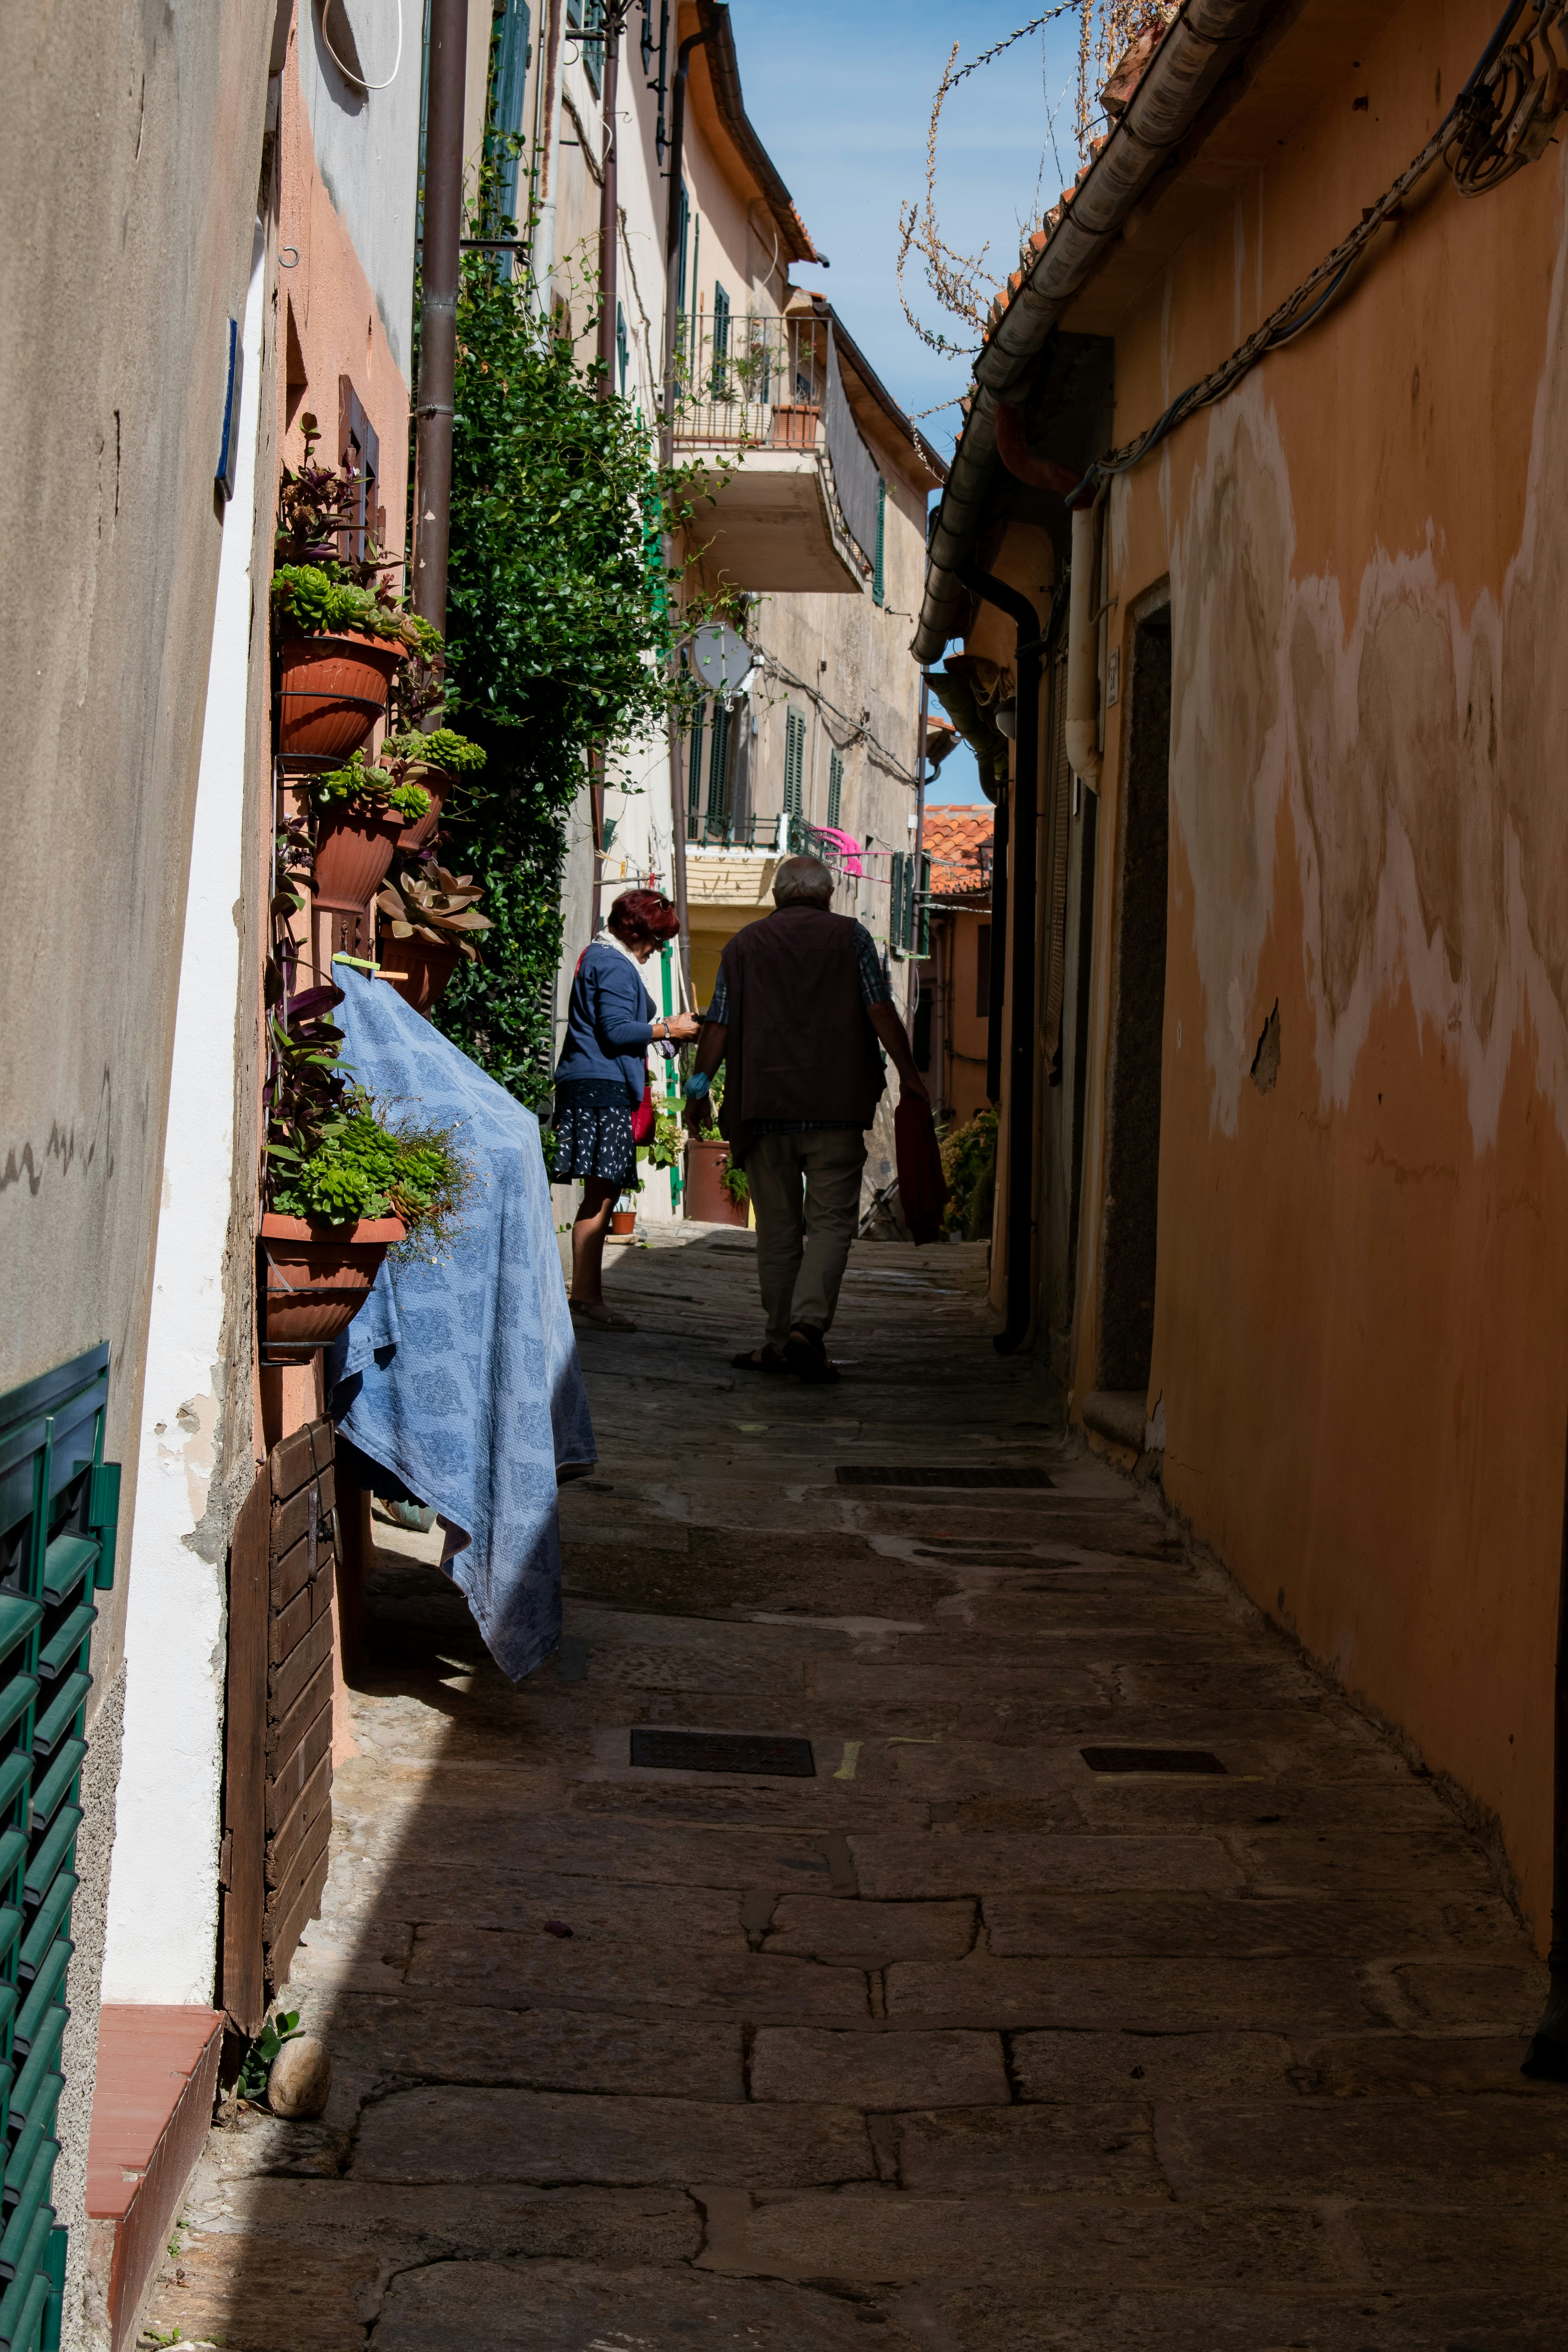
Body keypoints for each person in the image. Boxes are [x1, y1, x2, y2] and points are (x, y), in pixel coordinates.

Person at [684, 853, 928, 1383]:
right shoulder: (852, 940)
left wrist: (698, 1090)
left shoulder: (742, 947)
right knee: (831, 1224)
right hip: (835, 1106)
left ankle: (778, 1342)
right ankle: (807, 1329)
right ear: (828, 894)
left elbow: (719, 1027)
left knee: (776, 1230)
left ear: (778, 896)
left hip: (763, 1108)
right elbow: (879, 1008)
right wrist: (910, 1073)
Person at [553, 889, 700, 1330]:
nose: (658, 950)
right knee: (602, 1195)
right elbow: (617, 1032)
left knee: (602, 1194)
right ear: (635, 931)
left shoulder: (600, 958)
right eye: (656, 940)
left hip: (594, 1084)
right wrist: (667, 1027)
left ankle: (586, 1294)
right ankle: (587, 1297)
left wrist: (667, 1036)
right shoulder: (614, 965)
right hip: (601, 1088)